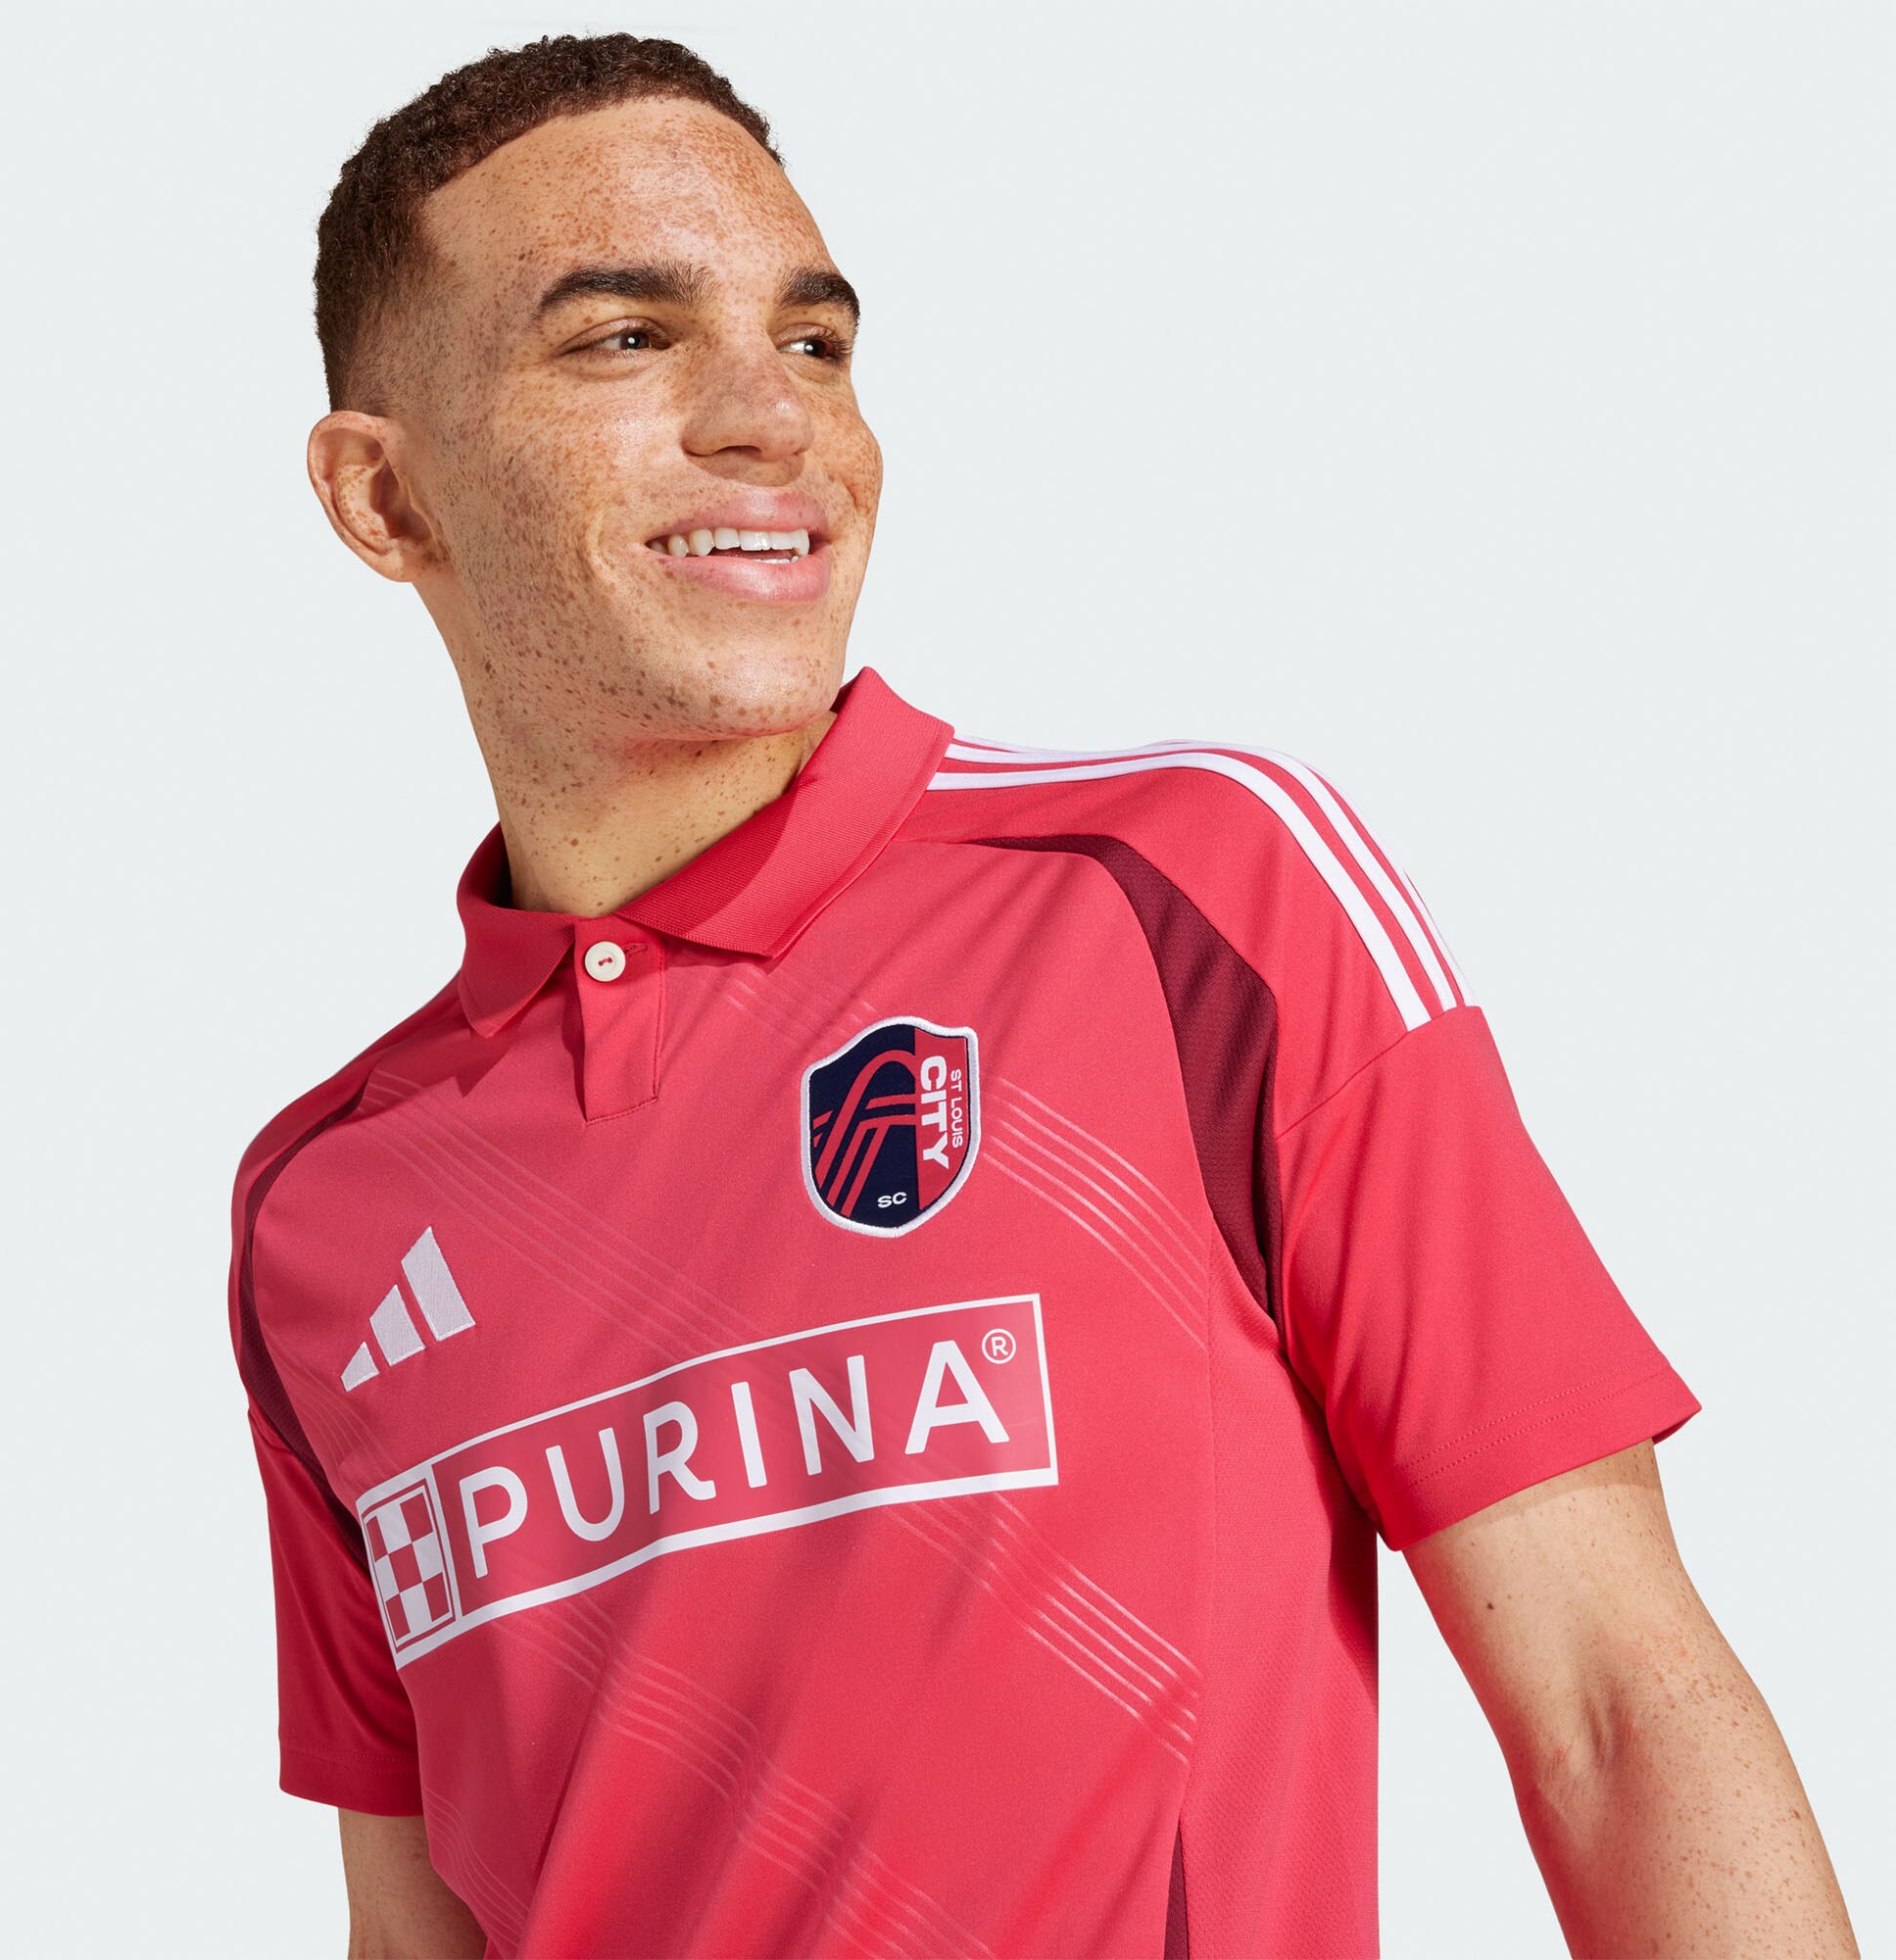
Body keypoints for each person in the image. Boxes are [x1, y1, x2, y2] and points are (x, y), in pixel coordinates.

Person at [227, 31, 1857, 1959]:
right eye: (625, 338)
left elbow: (1614, 1706)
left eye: (816, 340)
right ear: (384, 498)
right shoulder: (325, 1206)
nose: (772, 416)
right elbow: (414, 1924)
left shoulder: (1193, 899)